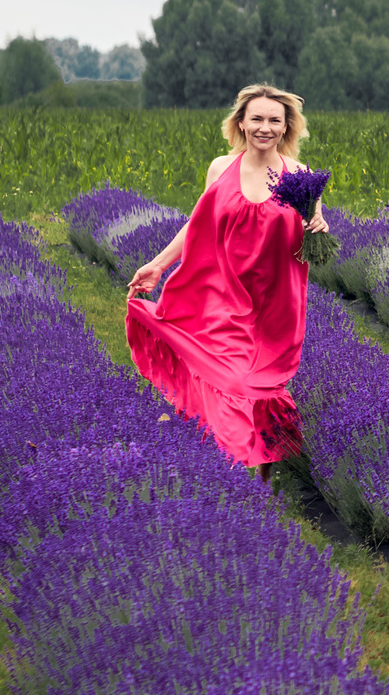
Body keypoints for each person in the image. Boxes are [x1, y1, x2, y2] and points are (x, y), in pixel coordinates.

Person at [124, 83, 330, 466]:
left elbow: (314, 235)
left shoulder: (300, 176)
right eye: (256, 118)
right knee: (232, 380)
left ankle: (269, 464)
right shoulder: (221, 168)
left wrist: (318, 223)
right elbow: (198, 225)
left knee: (259, 385)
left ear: (287, 128)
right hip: (221, 294)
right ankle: (231, 465)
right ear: (241, 123)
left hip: (273, 302)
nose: (265, 127)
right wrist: (157, 265)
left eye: (274, 120)